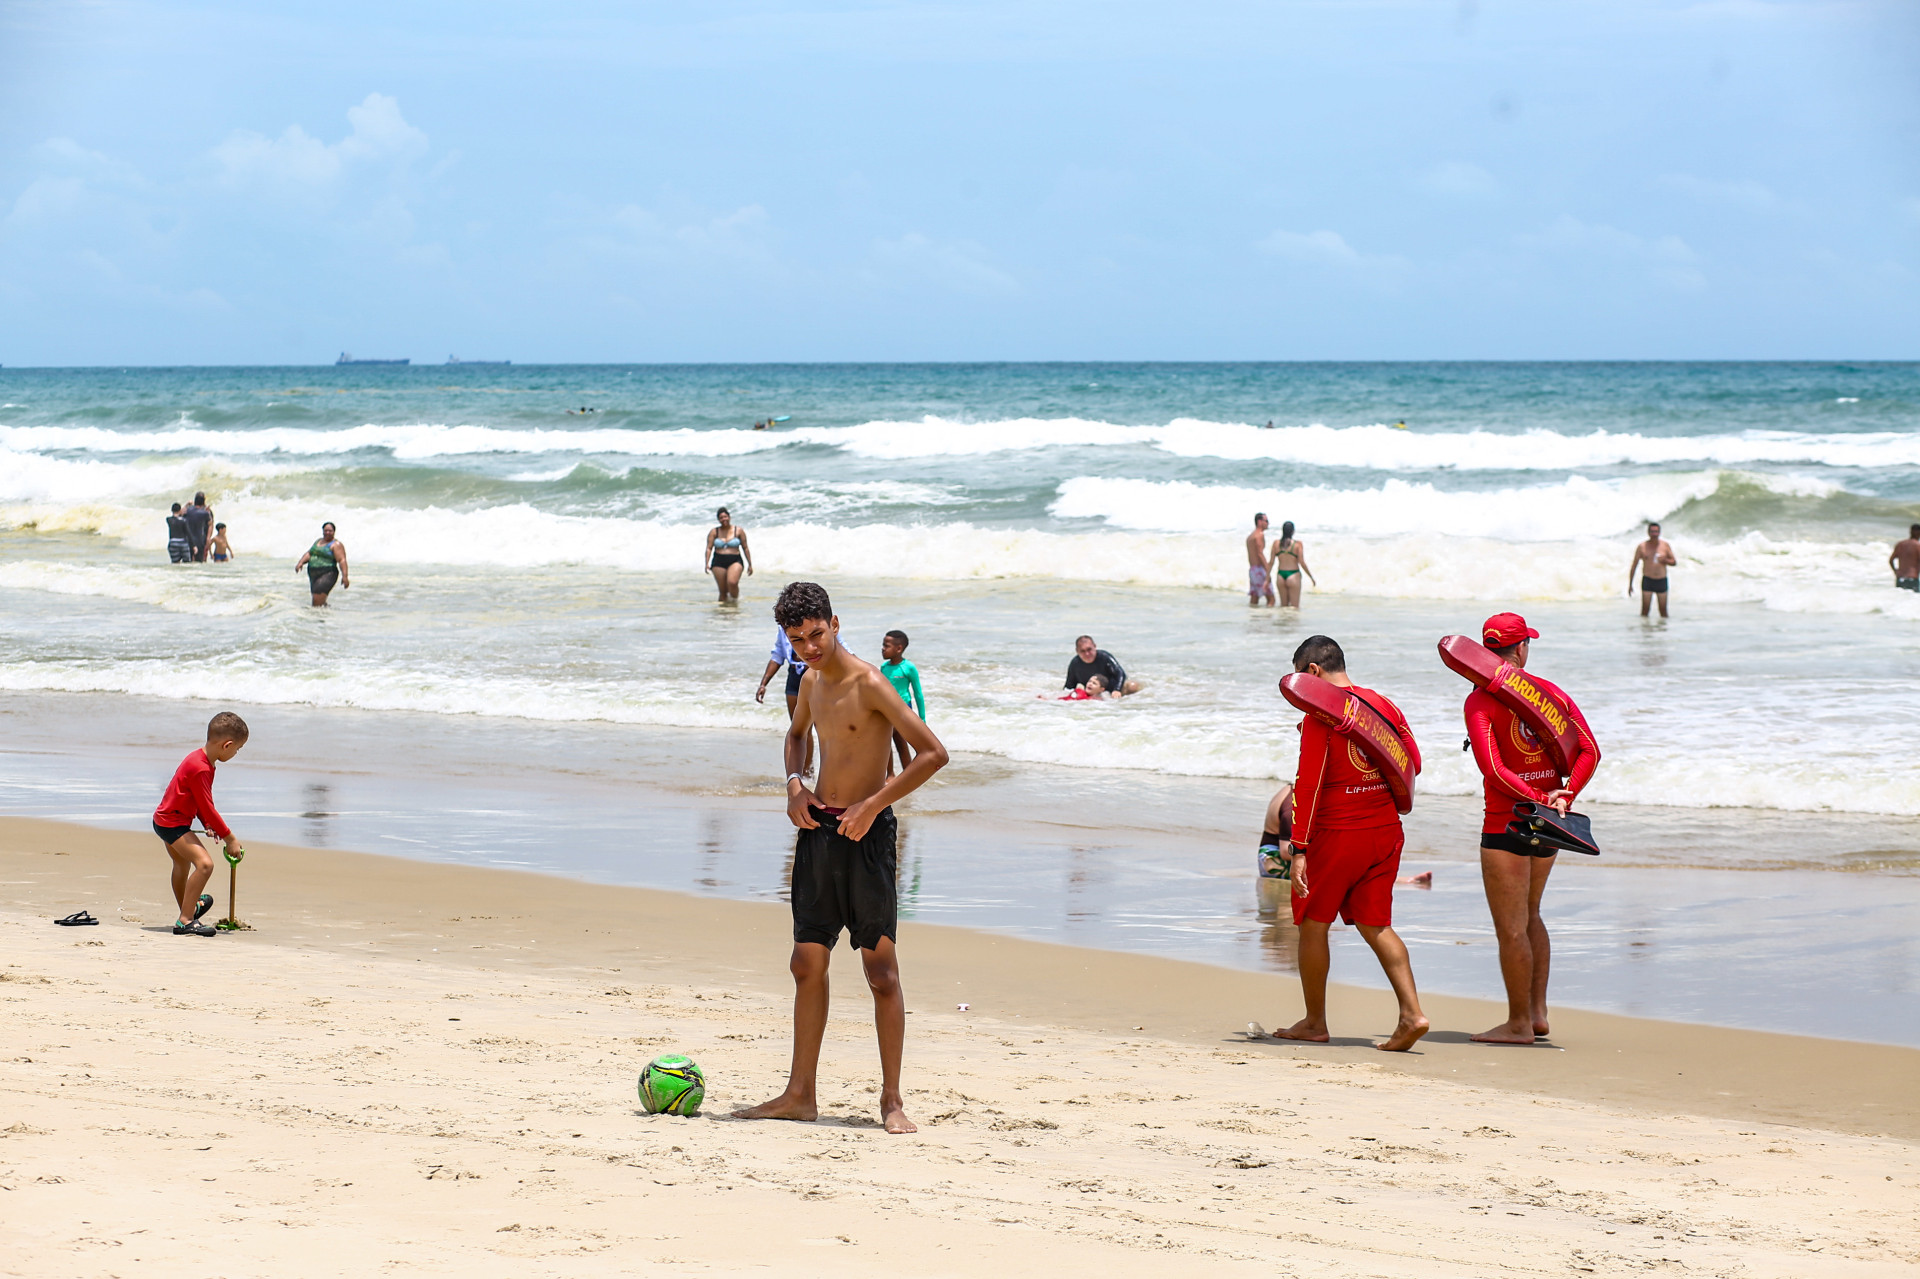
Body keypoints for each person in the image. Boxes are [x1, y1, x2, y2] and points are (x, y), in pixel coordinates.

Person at [734, 582, 949, 1135]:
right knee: (807, 962)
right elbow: (796, 735)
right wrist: (793, 786)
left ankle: (893, 1101)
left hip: (867, 835)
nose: (808, 647)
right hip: (819, 832)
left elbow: (933, 754)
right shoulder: (808, 682)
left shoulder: (870, 683)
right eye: (796, 639)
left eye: (816, 634)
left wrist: (874, 806)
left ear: (834, 622)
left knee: (880, 973)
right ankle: (799, 1094)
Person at [1271, 634, 1429, 1052]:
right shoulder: (1384, 704)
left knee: (1312, 924)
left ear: (1312, 674)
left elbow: (1309, 784)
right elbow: (1412, 762)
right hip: (1385, 832)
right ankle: (1413, 1014)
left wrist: (1299, 849)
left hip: (1338, 836)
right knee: (1376, 924)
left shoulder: (1321, 716)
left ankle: (1314, 1022)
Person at [1462, 613, 1599, 1046]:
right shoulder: (1551, 693)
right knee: (1533, 912)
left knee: (1512, 927)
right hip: (1550, 824)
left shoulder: (1479, 701)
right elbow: (1590, 751)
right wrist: (1564, 795)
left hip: (1506, 824)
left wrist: (1532, 798)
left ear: (1486, 653)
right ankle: (1537, 1014)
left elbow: (1494, 770)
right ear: (1521, 649)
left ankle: (1519, 1024)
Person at [152, 711, 249, 937]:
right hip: (174, 823)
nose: (236, 753)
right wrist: (230, 838)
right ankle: (185, 920)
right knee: (205, 865)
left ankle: (189, 910)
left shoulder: (199, 759)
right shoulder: (202, 767)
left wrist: (207, 823)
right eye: (238, 749)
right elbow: (207, 806)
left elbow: (197, 801)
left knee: (182, 865)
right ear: (227, 745)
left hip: (165, 820)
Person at [759, 627, 858, 775]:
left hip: (817, 674)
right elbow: (778, 655)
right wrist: (763, 684)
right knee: (800, 729)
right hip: (794, 676)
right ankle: (806, 773)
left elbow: (843, 648)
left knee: (826, 727)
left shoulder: (816, 622)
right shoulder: (782, 628)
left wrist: (860, 677)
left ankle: (834, 772)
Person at [879, 629, 926, 776]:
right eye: (883, 645)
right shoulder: (884, 667)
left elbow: (918, 693)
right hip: (886, 709)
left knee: (897, 741)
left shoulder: (908, 667)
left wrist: (922, 718)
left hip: (903, 709)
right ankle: (894, 774)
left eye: (886, 646)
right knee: (890, 741)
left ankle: (904, 773)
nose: (883, 648)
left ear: (899, 649)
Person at [1628, 521, 1676, 618]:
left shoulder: (1665, 545)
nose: (1654, 534)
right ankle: (1645, 632)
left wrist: (1665, 560)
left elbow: (1674, 562)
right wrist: (1630, 584)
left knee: (1663, 611)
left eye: (1656, 532)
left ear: (1659, 532)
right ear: (1648, 532)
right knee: (1645, 611)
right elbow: (1634, 565)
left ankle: (1663, 632)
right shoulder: (1642, 547)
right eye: (1652, 532)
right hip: (1648, 580)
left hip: (1661, 580)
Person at [294, 521, 348, 607]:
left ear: (334, 532)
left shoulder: (336, 545)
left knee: (316, 601)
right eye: (325, 530)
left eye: (330, 531)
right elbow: (310, 553)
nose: (327, 533)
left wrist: (345, 576)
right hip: (314, 575)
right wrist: (300, 563)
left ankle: (317, 618)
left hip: (328, 573)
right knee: (319, 601)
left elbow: (342, 560)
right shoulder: (318, 541)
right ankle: (326, 616)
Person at [1065, 636, 1141, 696]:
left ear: (1094, 646)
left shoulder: (1104, 657)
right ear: (1077, 651)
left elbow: (1120, 674)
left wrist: (1117, 690)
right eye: (1082, 651)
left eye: (1089, 649)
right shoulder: (1075, 664)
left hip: (1112, 690)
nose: (1087, 654)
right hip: (1094, 693)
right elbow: (1069, 686)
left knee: (1132, 686)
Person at [705, 507, 752, 602]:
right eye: (721, 517)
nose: (724, 519)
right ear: (718, 519)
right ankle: (723, 613)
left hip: (735, 560)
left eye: (725, 516)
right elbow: (709, 548)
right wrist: (706, 563)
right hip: (718, 561)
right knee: (723, 591)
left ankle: (735, 603)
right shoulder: (714, 532)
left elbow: (745, 548)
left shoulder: (738, 530)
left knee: (732, 583)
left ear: (729, 517)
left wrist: (750, 564)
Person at [1269, 521, 1316, 609]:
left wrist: (1266, 577)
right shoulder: (1297, 544)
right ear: (1293, 531)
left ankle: (1283, 622)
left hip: (1280, 576)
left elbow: (1271, 562)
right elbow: (1302, 562)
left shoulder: (1276, 544)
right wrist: (1311, 577)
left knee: (1283, 607)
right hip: (1293, 575)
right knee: (1294, 608)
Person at [1246, 513, 1276, 606]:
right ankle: (1267, 619)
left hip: (1253, 570)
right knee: (1271, 599)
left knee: (1254, 599)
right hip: (1259, 570)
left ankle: (1254, 618)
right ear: (1259, 522)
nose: (1268, 523)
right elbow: (1260, 553)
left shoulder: (1250, 536)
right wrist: (1268, 570)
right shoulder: (1259, 535)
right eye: (1266, 521)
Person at [182, 492, 214, 563]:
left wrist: (187, 504)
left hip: (188, 539)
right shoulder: (206, 512)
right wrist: (208, 538)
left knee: (188, 561)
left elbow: (179, 513)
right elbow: (210, 525)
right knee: (199, 561)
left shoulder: (188, 510)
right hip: (200, 539)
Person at [1891, 524, 1920, 591]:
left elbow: (1891, 560)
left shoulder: (1900, 544)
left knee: (1900, 600)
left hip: (1900, 578)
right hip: (1912, 578)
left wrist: (1896, 571)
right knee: (1912, 600)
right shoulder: (1917, 546)